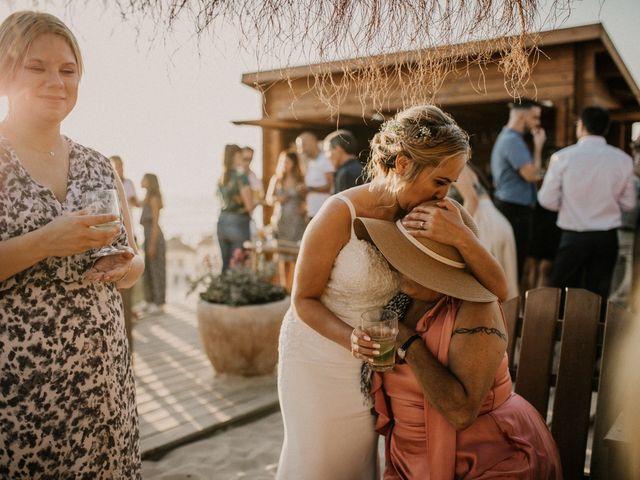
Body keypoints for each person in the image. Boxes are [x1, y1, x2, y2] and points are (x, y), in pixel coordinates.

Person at [277, 105, 508, 479]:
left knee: (359, 462)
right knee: (319, 462)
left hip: (378, 362)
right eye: (439, 181)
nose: (445, 193)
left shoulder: (433, 211)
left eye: (451, 182)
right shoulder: (340, 213)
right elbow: (301, 299)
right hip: (319, 355)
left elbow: (498, 289)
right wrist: (349, 338)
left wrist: (462, 236)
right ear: (402, 164)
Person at [0, 11, 142, 477]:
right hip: (19, 387)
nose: (55, 82)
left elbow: (134, 259)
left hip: (102, 380)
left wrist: (125, 268)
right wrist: (46, 241)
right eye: (36, 67)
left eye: (67, 70)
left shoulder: (100, 164)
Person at [351, 209, 562, 479]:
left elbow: (461, 412)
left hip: (486, 459)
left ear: (444, 273)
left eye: (410, 259)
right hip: (407, 462)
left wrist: (409, 343)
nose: (396, 263)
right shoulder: (400, 301)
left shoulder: (477, 311)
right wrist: (361, 345)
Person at [538, 106, 636, 301]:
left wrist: (568, 207)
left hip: (573, 237)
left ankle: (562, 331)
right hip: (606, 239)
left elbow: (545, 199)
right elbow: (629, 203)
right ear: (606, 129)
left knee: (561, 297)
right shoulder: (623, 160)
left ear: (581, 126)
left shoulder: (562, 158)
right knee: (598, 298)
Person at [491, 98, 546, 279]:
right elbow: (532, 175)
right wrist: (538, 147)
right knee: (514, 263)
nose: (538, 122)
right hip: (514, 209)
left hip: (512, 207)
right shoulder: (512, 140)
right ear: (523, 114)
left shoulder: (509, 138)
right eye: (535, 117)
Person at [451, 163, 519, 298]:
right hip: (492, 221)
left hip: (485, 223)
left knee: (489, 283)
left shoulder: (457, 166)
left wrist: (458, 229)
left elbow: (472, 200)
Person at [266, 151, 307, 290]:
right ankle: (284, 287)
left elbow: (307, 199)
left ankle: (295, 287)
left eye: (288, 162)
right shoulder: (277, 179)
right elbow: (268, 199)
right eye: (283, 161)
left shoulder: (300, 179)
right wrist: (278, 199)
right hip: (281, 220)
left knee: (296, 253)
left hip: (296, 221)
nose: (285, 164)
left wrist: (304, 207)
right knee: (282, 254)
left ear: (294, 164)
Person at [110, 154, 139, 346]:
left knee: (126, 295)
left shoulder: (127, 183)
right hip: (110, 237)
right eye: (115, 165)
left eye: (119, 165)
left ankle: (127, 340)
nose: (118, 168)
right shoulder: (107, 182)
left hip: (128, 234)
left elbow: (136, 202)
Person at [217, 144, 254, 272]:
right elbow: (249, 205)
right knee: (238, 265)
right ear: (235, 156)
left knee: (226, 265)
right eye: (240, 155)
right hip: (238, 221)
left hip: (222, 221)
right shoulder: (241, 176)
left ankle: (222, 292)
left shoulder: (222, 178)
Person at [140, 173, 166, 315]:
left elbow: (156, 223)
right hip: (147, 234)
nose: (141, 181)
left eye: (144, 179)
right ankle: (149, 300)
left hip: (153, 235)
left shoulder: (154, 198)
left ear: (149, 181)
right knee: (148, 269)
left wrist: (152, 244)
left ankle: (159, 302)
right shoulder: (147, 197)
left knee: (157, 269)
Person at [296, 131, 334, 219]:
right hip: (312, 212)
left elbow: (330, 187)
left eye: (303, 145)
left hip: (324, 212)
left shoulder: (326, 159)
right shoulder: (309, 162)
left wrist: (309, 189)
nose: (301, 150)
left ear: (312, 142)